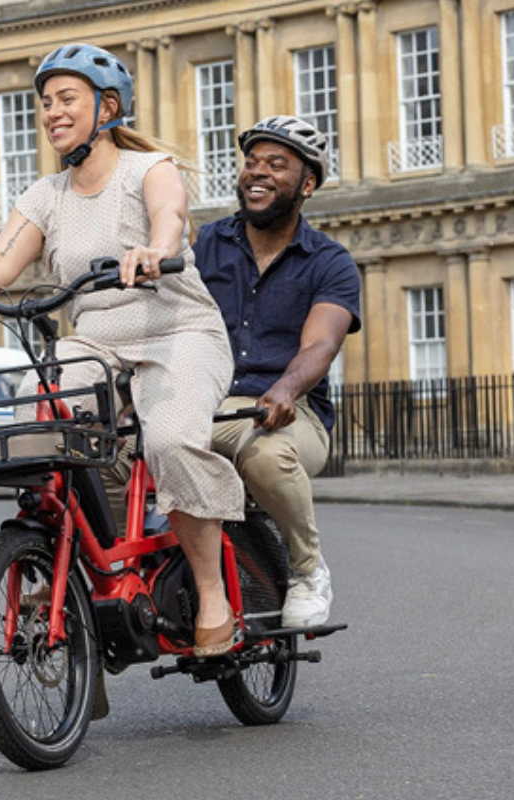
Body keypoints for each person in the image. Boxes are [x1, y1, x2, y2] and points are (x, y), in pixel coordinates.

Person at [0, 44, 246, 658]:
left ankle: (211, 592)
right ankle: (60, 571)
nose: (52, 113)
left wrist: (154, 249)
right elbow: (0, 260)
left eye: (67, 99)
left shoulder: (149, 169)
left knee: (171, 440)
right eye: (45, 103)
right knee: (34, 418)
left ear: (107, 106)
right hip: (96, 340)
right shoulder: (46, 194)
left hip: (177, 333)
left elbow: (169, 214)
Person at [195, 115, 362, 628]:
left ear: (307, 184)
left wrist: (286, 388)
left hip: (292, 414)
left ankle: (308, 570)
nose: (257, 173)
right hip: (209, 404)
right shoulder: (205, 245)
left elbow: (321, 344)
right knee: (118, 452)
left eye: (276, 164)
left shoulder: (329, 262)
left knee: (265, 456)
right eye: (251, 162)